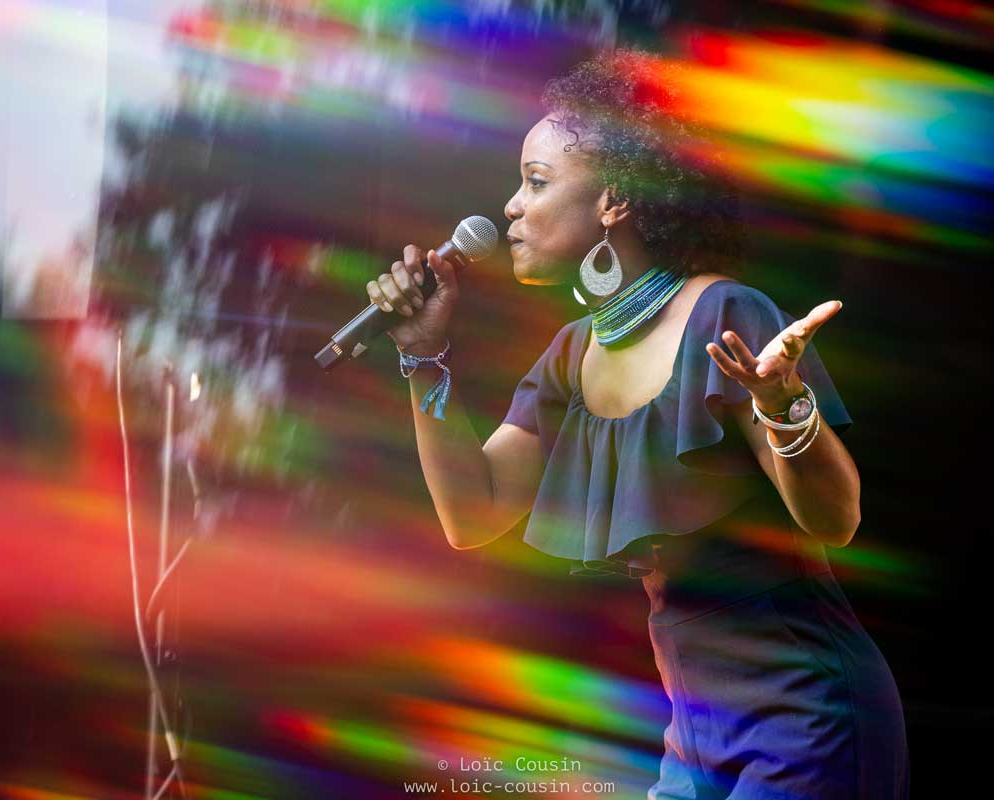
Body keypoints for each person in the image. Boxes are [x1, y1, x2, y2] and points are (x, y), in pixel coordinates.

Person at [366, 48, 909, 800]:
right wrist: (424, 360)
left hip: (810, 720)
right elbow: (473, 513)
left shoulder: (725, 316)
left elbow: (837, 520)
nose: (511, 207)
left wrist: (782, 404)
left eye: (535, 181)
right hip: (693, 739)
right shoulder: (571, 355)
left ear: (615, 199)